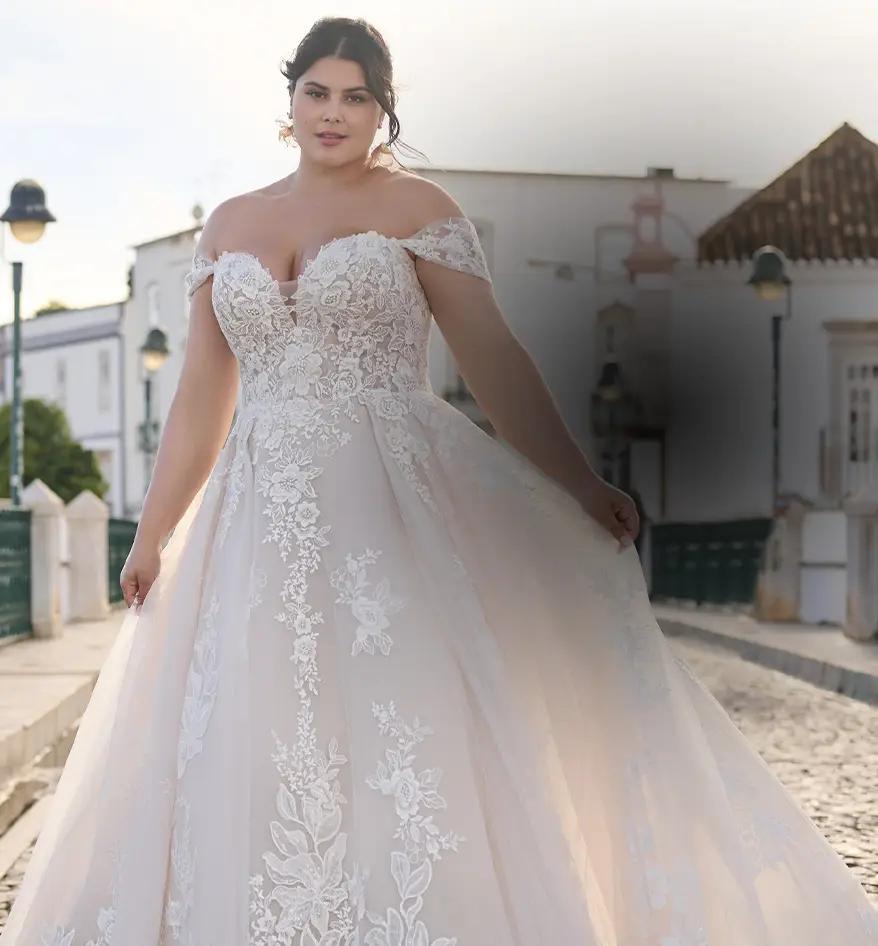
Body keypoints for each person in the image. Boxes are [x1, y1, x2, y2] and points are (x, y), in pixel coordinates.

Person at [2, 16, 876, 946]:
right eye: (317, 92)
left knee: (398, 728)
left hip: (388, 502)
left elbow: (495, 359)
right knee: (250, 730)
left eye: (358, 97)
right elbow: (199, 406)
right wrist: (151, 538)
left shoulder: (419, 210)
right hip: (251, 517)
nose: (334, 114)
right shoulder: (229, 225)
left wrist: (581, 484)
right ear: (288, 100)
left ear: (384, 111)